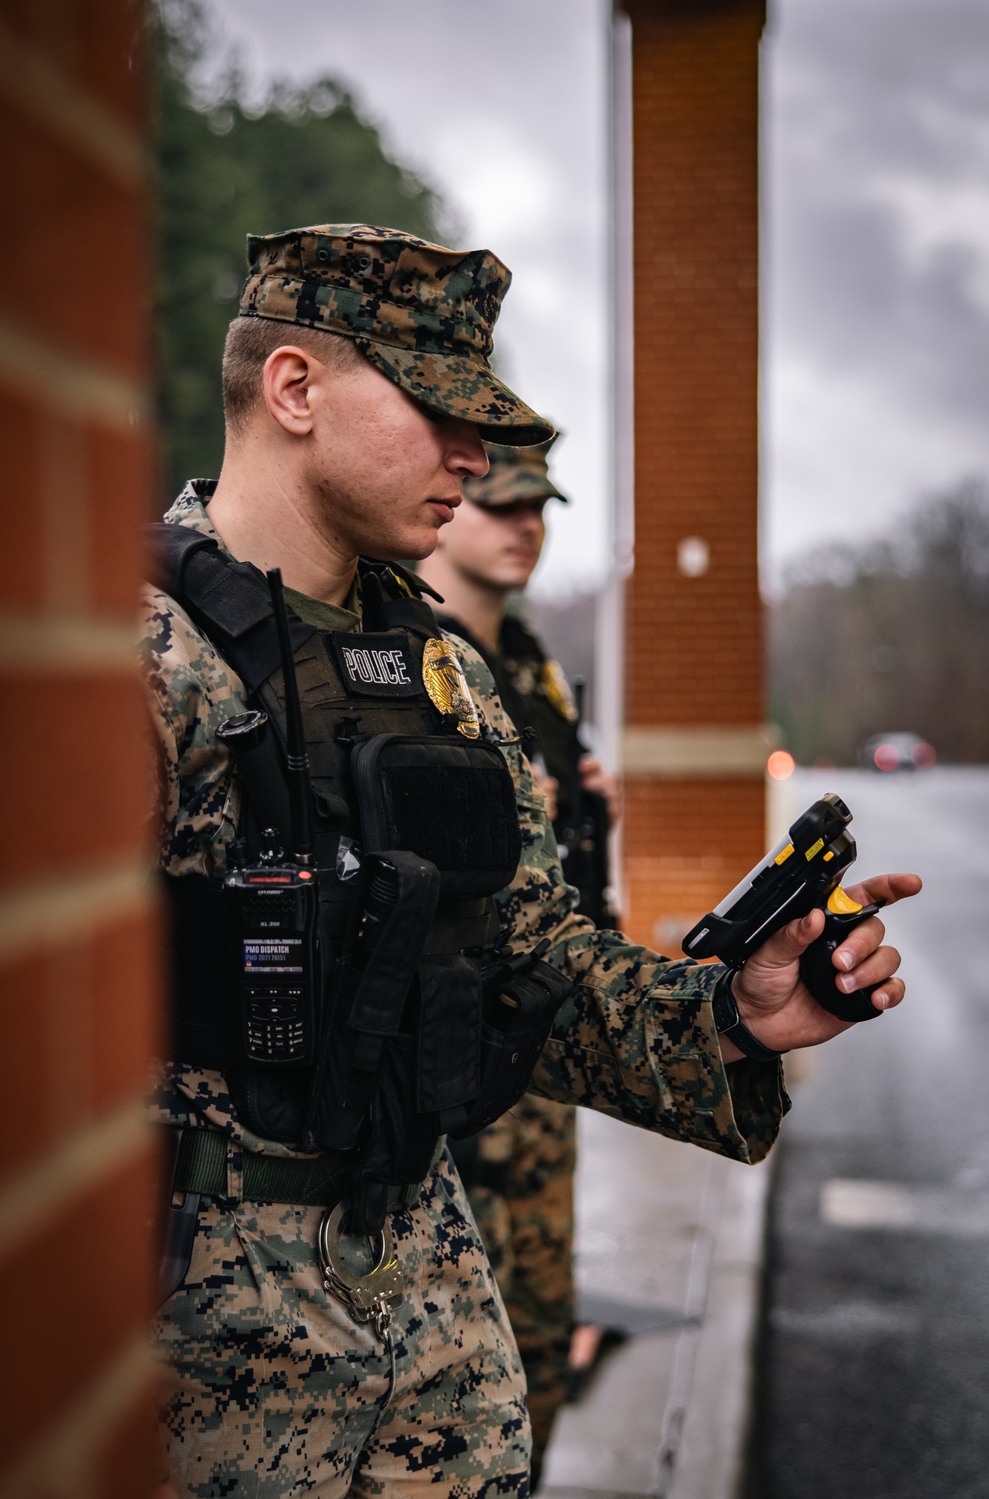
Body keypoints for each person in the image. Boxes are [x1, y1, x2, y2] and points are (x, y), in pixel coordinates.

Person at [142, 222, 918, 1499]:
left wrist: (732, 1015)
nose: (475, 455)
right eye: (437, 409)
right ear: (292, 388)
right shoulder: (134, 661)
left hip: (435, 1318)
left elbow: (531, 961)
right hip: (202, 1342)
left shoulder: (447, 675)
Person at [418, 437, 617, 1482]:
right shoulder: (418, 656)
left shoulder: (529, 662)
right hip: (468, 1036)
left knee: (540, 1302)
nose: (524, 525)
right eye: (503, 505)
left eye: (538, 508)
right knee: (470, 1324)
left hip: (550, 1014)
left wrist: (584, 803)